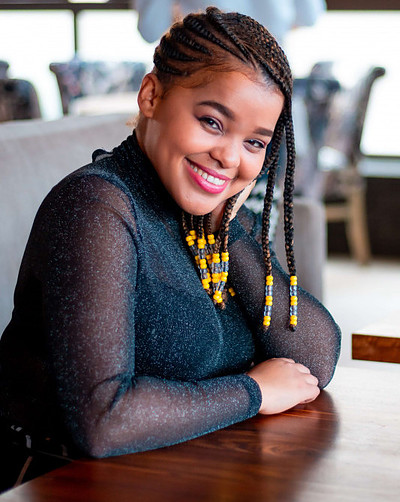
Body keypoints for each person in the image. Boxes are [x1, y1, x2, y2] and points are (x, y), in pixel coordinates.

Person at [0, 6, 340, 476]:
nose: (228, 156)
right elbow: (103, 422)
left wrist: (225, 214)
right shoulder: (97, 208)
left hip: (175, 474)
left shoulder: (202, 215)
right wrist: (254, 391)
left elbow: (315, 357)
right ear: (151, 95)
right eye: (213, 122)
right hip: (57, 480)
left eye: (255, 143)